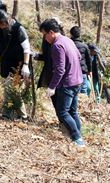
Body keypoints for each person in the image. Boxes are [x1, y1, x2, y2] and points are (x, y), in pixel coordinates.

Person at [39, 19, 85, 147]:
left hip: (67, 83)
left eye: (45, 34)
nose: (45, 38)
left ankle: (77, 137)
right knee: (73, 111)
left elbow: (60, 69)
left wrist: (52, 87)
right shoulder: (68, 40)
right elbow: (79, 57)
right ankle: (78, 134)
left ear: (51, 32)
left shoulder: (57, 45)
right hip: (77, 80)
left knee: (63, 112)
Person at [0, 9, 31, 120]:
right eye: (0, 24)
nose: (3, 26)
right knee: (10, 88)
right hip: (6, 61)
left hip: (18, 64)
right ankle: (9, 114)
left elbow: (27, 48)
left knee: (11, 88)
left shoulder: (19, 28)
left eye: (5, 23)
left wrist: (26, 65)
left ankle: (20, 115)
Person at [33, 17, 63, 109]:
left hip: (61, 77)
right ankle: (62, 121)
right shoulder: (47, 39)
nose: (45, 37)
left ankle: (64, 121)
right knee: (56, 102)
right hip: (50, 72)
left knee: (62, 106)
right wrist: (36, 56)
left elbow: (61, 65)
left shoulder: (60, 41)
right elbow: (47, 56)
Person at [69, 26, 92, 96]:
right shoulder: (84, 46)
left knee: (73, 93)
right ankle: (82, 106)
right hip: (82, 72)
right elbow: (89, 60)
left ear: (71, 34)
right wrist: (90, 71)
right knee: (83, 92)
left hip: (71, 73)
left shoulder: (68, 45)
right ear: (79, 35)